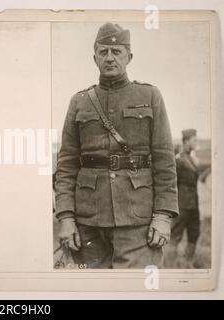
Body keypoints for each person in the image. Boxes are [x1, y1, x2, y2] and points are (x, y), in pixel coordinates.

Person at [54, 22, 179, 268]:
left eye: (116, 52)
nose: (109, 58)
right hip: (88, 222)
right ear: (95, 58)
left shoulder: (150, 96)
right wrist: (66, 218)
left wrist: (163, 215)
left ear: (129, 56)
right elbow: (66, 164)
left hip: (138, 222)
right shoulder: (79, 101)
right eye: (103, 52)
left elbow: (165, 161)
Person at [167, 129, 208, 268]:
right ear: (186, 141)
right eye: (194, 140)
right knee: (175, 236)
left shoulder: (193, 159)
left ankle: (187, 263)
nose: (196, 142)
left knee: (194, 234)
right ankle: (169, 266)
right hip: (182, 205)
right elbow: (171, 183)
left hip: (194, 205)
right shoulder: (178, 160)